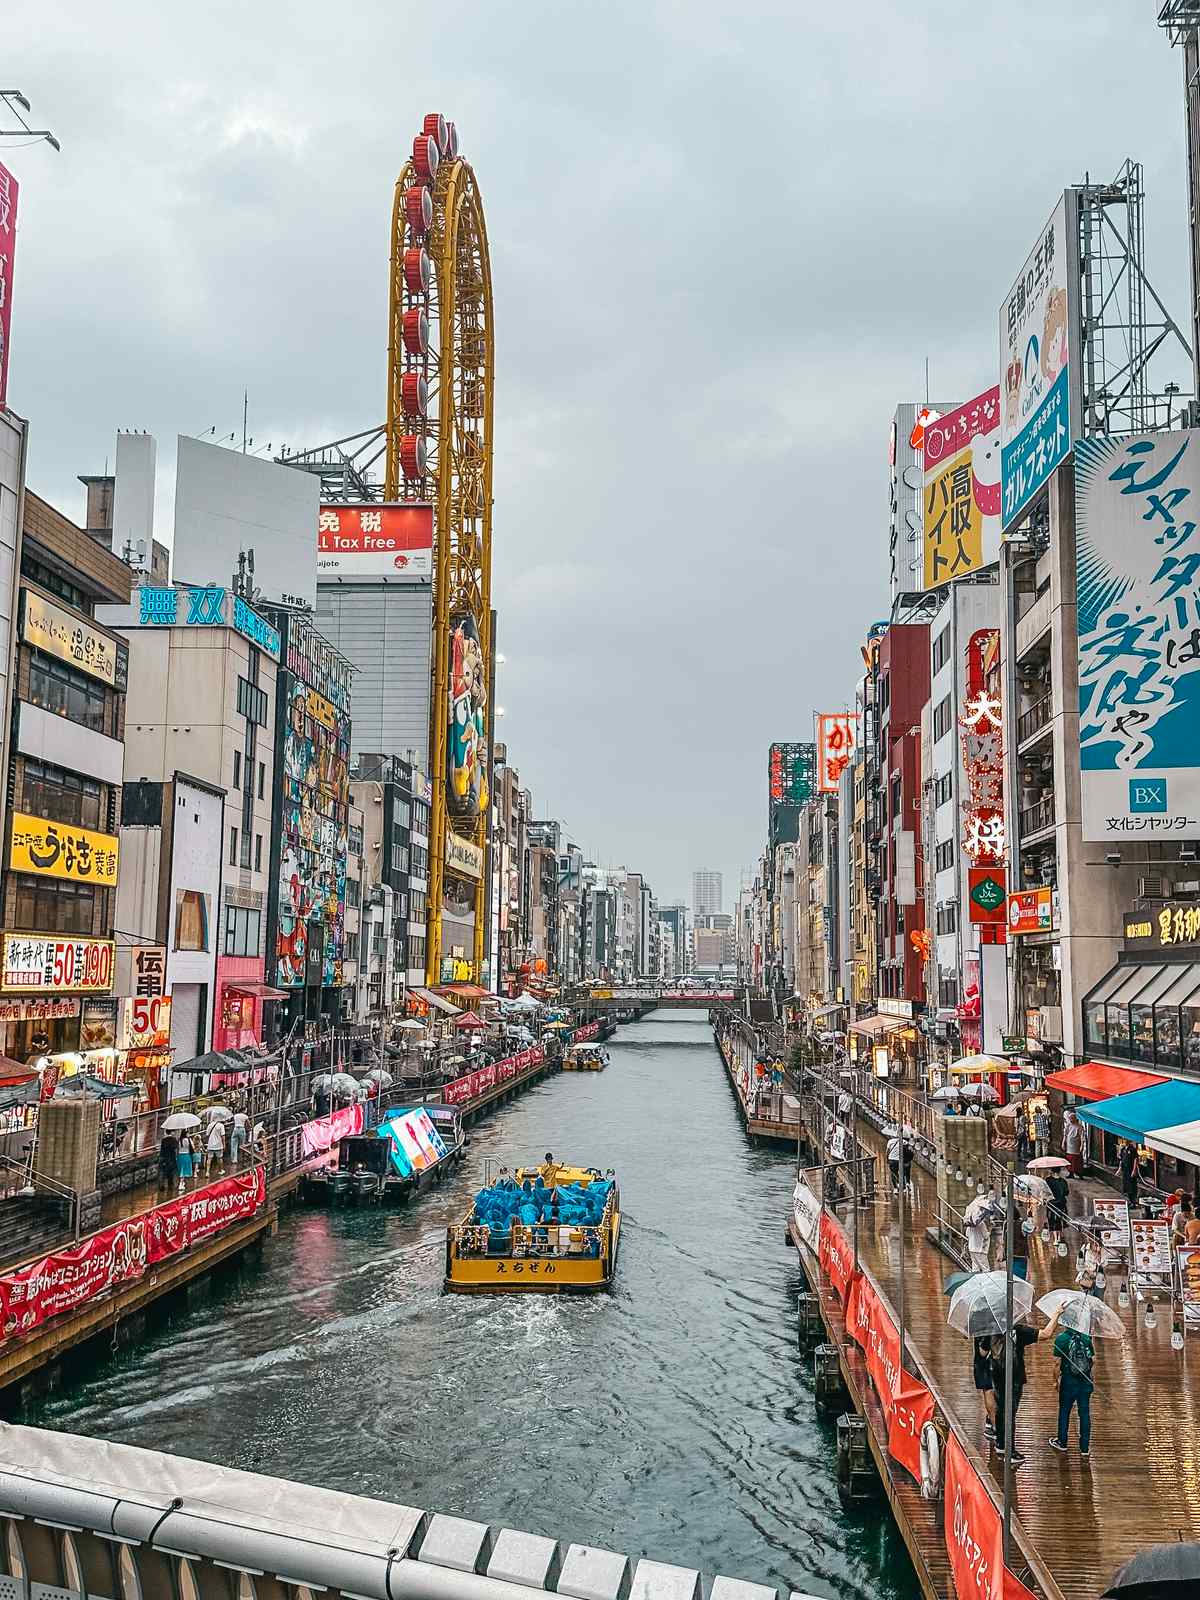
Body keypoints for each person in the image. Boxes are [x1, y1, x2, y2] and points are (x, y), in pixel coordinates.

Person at [989, 1303, 1064, 1465]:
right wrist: (1056, 1314)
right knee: (1010, 1413)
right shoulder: (1019, 1331)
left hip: (996, 1374)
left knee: (1001, 1409)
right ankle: (1010, 1450)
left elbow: (982, 1351)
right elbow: (1046, 1333)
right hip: (1014, 1376)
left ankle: (1000, 1444)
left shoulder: (990, 1328)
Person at [1049, 1322, 1095, 1459]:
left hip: (1069, 1381)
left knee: (1064, 1411)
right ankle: (1085, 1448)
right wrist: (1091, 1378)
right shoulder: (1086, 1338)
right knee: (1084, 1413)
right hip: (1085, 1381)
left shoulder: (1061, 1339)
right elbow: (1093, 1360)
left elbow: (1057, 1363)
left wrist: (1055, 1381)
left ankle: (1062, 1442)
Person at [974, 1335, 997, 1439]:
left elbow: (983, 1352)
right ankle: (992, 1419)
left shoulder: (982, 1322)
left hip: (986, 1363)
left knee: (988, 1391)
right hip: (1000, 1360)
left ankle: (996, 1426)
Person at [1045, 1170, 1070, 1242]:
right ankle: (1058, 1237)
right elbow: (1066, 1192)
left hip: (1051, 1203)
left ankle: (1055, 1238)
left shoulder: (1048, 1180)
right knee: (1059, 1219)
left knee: (1052, 1219)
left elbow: (1045, 1190)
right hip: (1061, 1203)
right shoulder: (1063, 1181)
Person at [1118, 1142, 1140, 1209]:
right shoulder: (1123, 1149)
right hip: (1125, 1171)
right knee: (1126, 1186)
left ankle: (1133, 1202)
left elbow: (1135, 1159)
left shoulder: (1132, 1149)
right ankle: (1129, 1201)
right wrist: (1119, 1169)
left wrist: (1134, 1170)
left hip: (1130, 1170)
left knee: (1132, 1186)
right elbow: (1121, 1160)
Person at [1062, 1108, 1083, 1177]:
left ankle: (1078, 1172)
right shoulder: (1068, 1126)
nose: (1070, 1119)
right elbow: (1065, 1135)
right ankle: (1071, 1173)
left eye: (1071, 1118)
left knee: (1076, 1160)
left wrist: (1081, 1146)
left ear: (1075, 1118)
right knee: (1069, 1159)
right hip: (1069, 1145)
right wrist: (1063, 1143)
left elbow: (1082, 1137)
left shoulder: (1079, 1127)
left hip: (1076, 1146)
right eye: (1069, 1118)